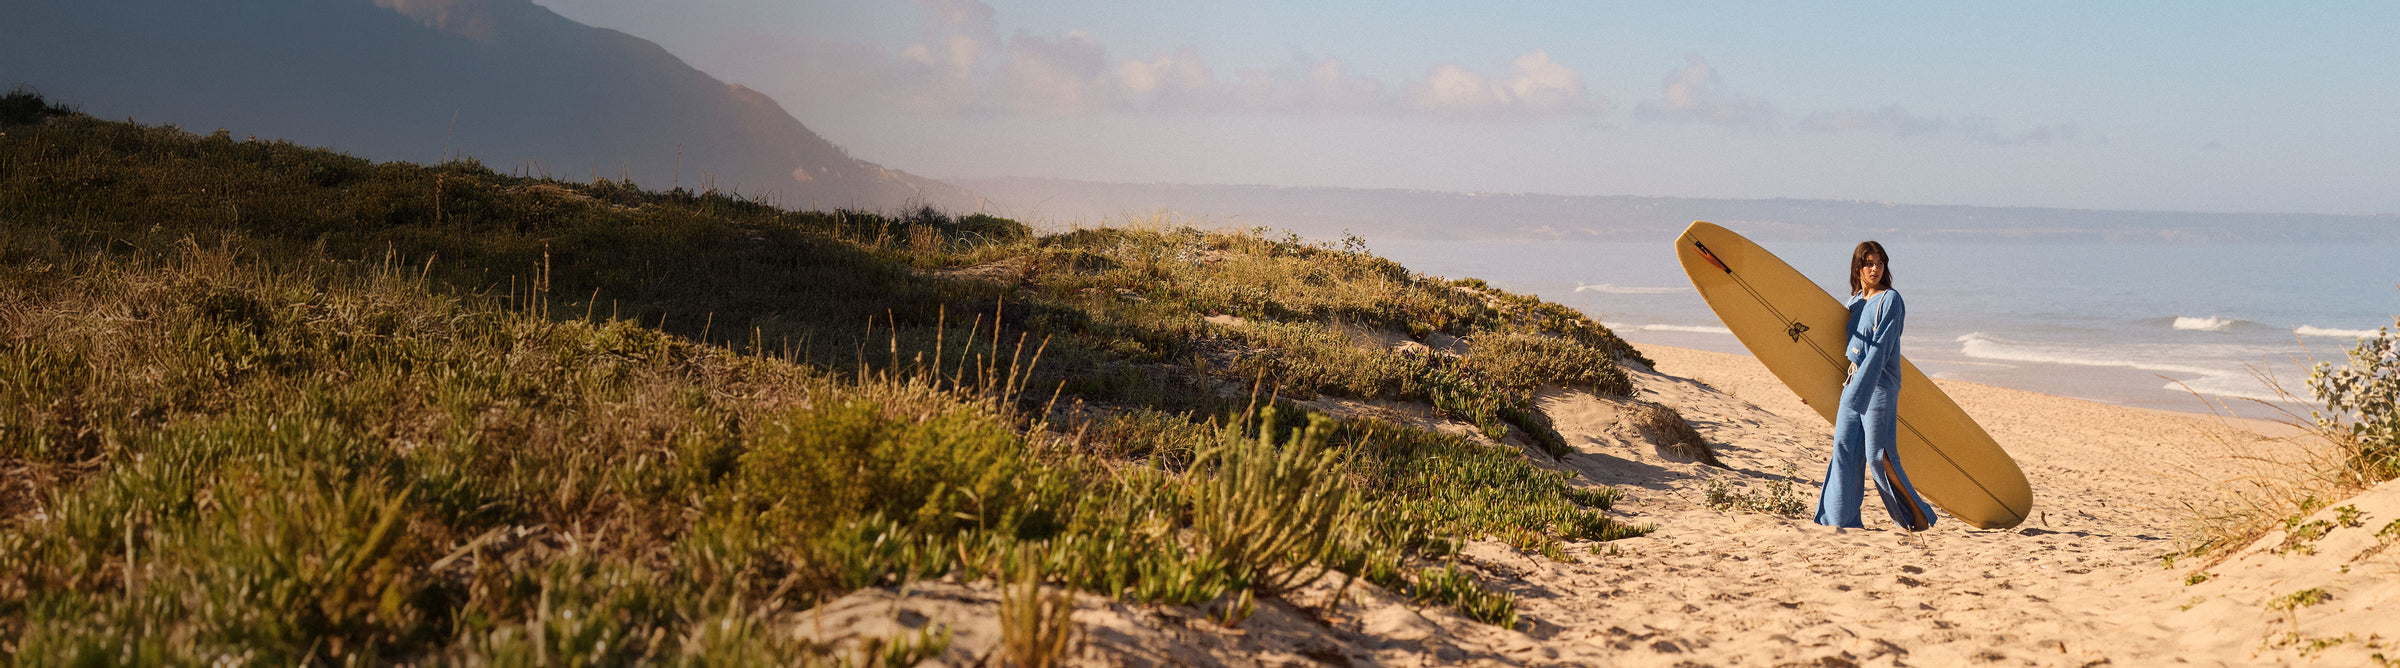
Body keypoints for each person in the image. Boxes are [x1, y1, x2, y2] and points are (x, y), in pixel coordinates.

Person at [1815, 241, 1938, 531]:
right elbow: (1840, 352)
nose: (1876, 268)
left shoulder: (1890, 300)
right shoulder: (1854, 302)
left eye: (1880, 263)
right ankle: (1840, 518)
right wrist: (1816, 388)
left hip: (1879, 386)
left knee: (1878, 455)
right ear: (1858, 268)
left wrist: (1859, 391)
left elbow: (1881, 350)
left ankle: (1916, 517)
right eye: (1869, 263)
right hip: (1853, 382)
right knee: (1844, 449)